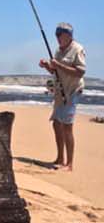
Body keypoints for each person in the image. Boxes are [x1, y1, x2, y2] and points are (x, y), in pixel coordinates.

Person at [41, 22, 87, 169]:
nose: (57, 38)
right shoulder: (58, 51)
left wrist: (58, 65)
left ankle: (70, 163)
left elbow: (80, 71)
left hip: (73, 91)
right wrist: (47, 66)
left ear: (68, 35)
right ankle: (60, 158)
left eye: (59, 35)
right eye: (56, 35)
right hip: (61, 91)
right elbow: (55, 71)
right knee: (56, 123)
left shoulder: (77, 49)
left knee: (67, 126)